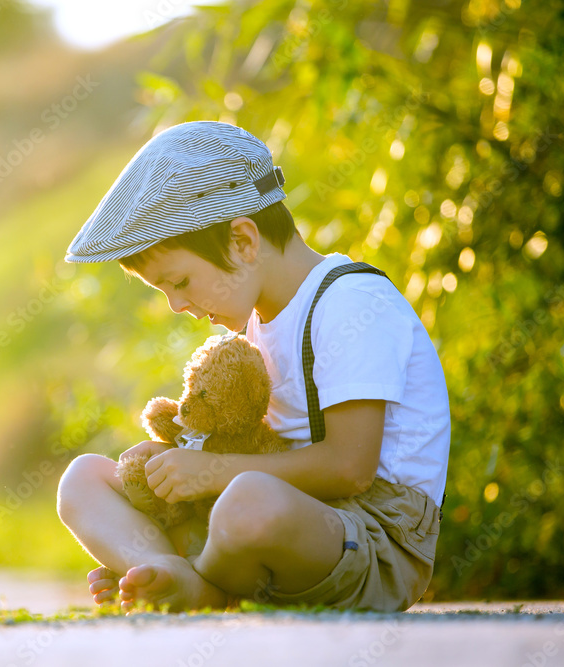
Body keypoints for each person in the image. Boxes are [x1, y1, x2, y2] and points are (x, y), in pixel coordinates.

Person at [56, 120, 450, 613]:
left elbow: (350, 469)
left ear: (243, 241)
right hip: (273, 512)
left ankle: (202, 584)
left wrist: (213, 471)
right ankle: (165, 569)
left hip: (370, 536)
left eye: (180, 281)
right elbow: (251, 444)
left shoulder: (349, 301)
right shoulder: (254, 325)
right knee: (85, 478)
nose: (178, 305)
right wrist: (174, 464)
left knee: (247, 500)